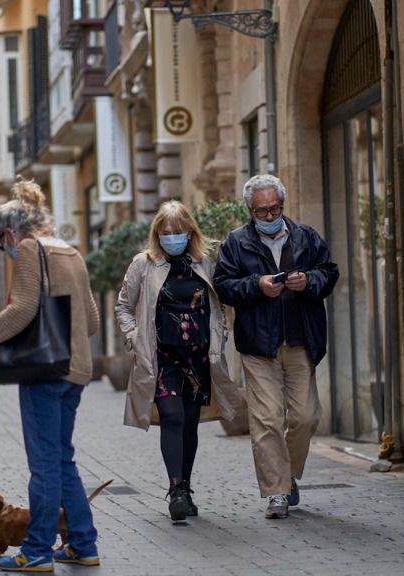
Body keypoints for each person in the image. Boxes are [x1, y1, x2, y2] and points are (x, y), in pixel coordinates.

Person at [0, 178, 101, 573]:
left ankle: (37, 550)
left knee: (43, 466)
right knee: (62, 461)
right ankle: (82, 545)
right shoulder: (70, 251)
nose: (3, 249)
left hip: (44, 373)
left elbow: (22, 310)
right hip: (76, 370)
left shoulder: (27, 249)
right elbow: (90, 320)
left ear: (8, 232)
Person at [212, 174, 339, 520]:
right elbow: (222, 285)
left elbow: (329, 273)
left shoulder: (306, 237)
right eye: (262, 211)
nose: (270, 217)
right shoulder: (235, 243)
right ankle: (277, 492)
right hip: (259, 345)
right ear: (250, 210)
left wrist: (307, 281)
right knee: (266, 419)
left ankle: (288, 475)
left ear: (282, 205)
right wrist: (257, 285)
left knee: (306, 416)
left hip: (300, 340)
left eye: (275, 209)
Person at [115, 200, 244, 522]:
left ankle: (185, 487)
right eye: (166, 232)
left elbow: (218, 306)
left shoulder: (204, 263)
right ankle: (175, 489)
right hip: (162, 357)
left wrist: (221, 335)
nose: (172, 237)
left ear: (190, 232)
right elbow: (123, 306)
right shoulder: (143, 264)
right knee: (171, 416)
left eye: (178, 232)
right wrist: (134, 339)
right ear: (157, 233)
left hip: (198, 356)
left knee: (189, 422)